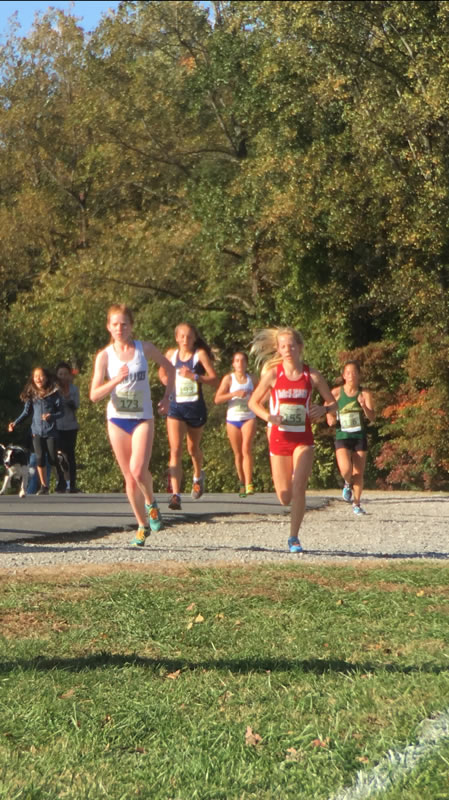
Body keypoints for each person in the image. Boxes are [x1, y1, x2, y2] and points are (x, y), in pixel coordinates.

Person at [90, 304, 175, 546]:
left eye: (124, 324)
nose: (119, 328)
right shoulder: (105, 356)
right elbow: (94, 395)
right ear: (108, 327)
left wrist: (167, 397)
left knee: (139, 470)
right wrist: (116, 380)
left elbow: (169, 368)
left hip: (142, 417)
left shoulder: (144, 348)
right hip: (117, 419)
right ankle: (142, 524)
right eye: (115, 324)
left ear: (131, 326)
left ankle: (151, 503)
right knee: (129, 476)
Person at [248, 327, 336, 553]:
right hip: (280, 438)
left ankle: (294, 537)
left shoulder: (312, 375)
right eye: (283, 346)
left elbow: (333, 402)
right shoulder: (273, 375)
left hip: (303, 438)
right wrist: (269, 417)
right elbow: (253, 403)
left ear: (300, 347)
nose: (288, 350)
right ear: (278, 349)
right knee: (284, 496)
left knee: (300, 486)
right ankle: (286, 491)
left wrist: (323, 409)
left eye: (292, 346)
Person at [159, 323, 218, 510]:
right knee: (175, 449)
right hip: (176, 407)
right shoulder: (170, 355)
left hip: (195, 408)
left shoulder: (199, 356)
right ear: (176, 338)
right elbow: (161, 372)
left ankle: (198, 476)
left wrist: (194, 377)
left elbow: (215, 380)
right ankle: (175, 495)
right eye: (182, 336)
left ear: (194, 339)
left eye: (189, 337)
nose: (186, 340)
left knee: (193, 449)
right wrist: (168, 383)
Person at [326, 360, 375, 515]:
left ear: (359, 375)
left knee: (359, 473)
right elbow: (328, 410)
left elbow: (372, 417)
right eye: (348, 372)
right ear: (343, 376)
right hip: (343, 435)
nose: (351, 375)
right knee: (346, 470)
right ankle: (347, 483)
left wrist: (364, 406)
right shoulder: (336, 393)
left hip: (359, 436)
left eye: (354, 372)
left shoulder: (364, 394)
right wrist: (331, 418)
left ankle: (357, 503)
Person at [8, 367, 64, 495]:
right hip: (36, 430)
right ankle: (44, 486)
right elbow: (26, 412)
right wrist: (15, 423)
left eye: (41, 376)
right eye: (36, 376)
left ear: (46, 377)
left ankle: (60, 478)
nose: (38, 378)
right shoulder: (32, 394)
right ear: (33, 379)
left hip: (50, 431)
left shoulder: (54, 393)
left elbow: (62, 412)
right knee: (39, 458)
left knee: (52, 459)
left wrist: (51, 416)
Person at [214, 351, 257, 497]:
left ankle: (249, 483)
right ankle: (241, 481)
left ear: (246, 363)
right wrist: (233, 394)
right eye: (237, 361)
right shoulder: (229, 379)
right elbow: (217, 399)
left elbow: (263, 393)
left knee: (246, 449)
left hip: (248, 417)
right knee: (238, 453)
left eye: (242, 360)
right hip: (233, 418)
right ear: (233, 364)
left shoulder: (252, 379)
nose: (240, 363)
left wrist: (256, 401)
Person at [55, 361, 80, 494]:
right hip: (57, 425)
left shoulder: (74, 389)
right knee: (58, 456)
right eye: (60, 374)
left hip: (71, 426)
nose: (63, 376)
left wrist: (68, 398)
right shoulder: (53, 389)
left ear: (70, 375)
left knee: (70, 455)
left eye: (65, 374)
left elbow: (76, 405)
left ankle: (73, 484)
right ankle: (61, 482)